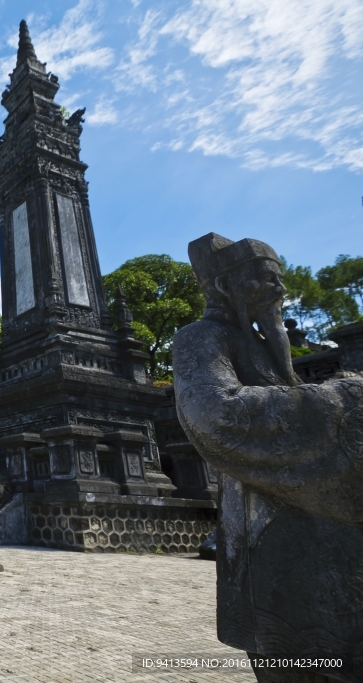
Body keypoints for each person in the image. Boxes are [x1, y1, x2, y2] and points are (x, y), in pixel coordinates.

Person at [174, 233, 363, 682]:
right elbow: (216, 414)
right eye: (264, 278)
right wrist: (343, 397)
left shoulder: (264, 346)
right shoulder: (201, 338)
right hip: (269, 538)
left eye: (279, 280)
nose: (279, 290)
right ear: (224, 285)